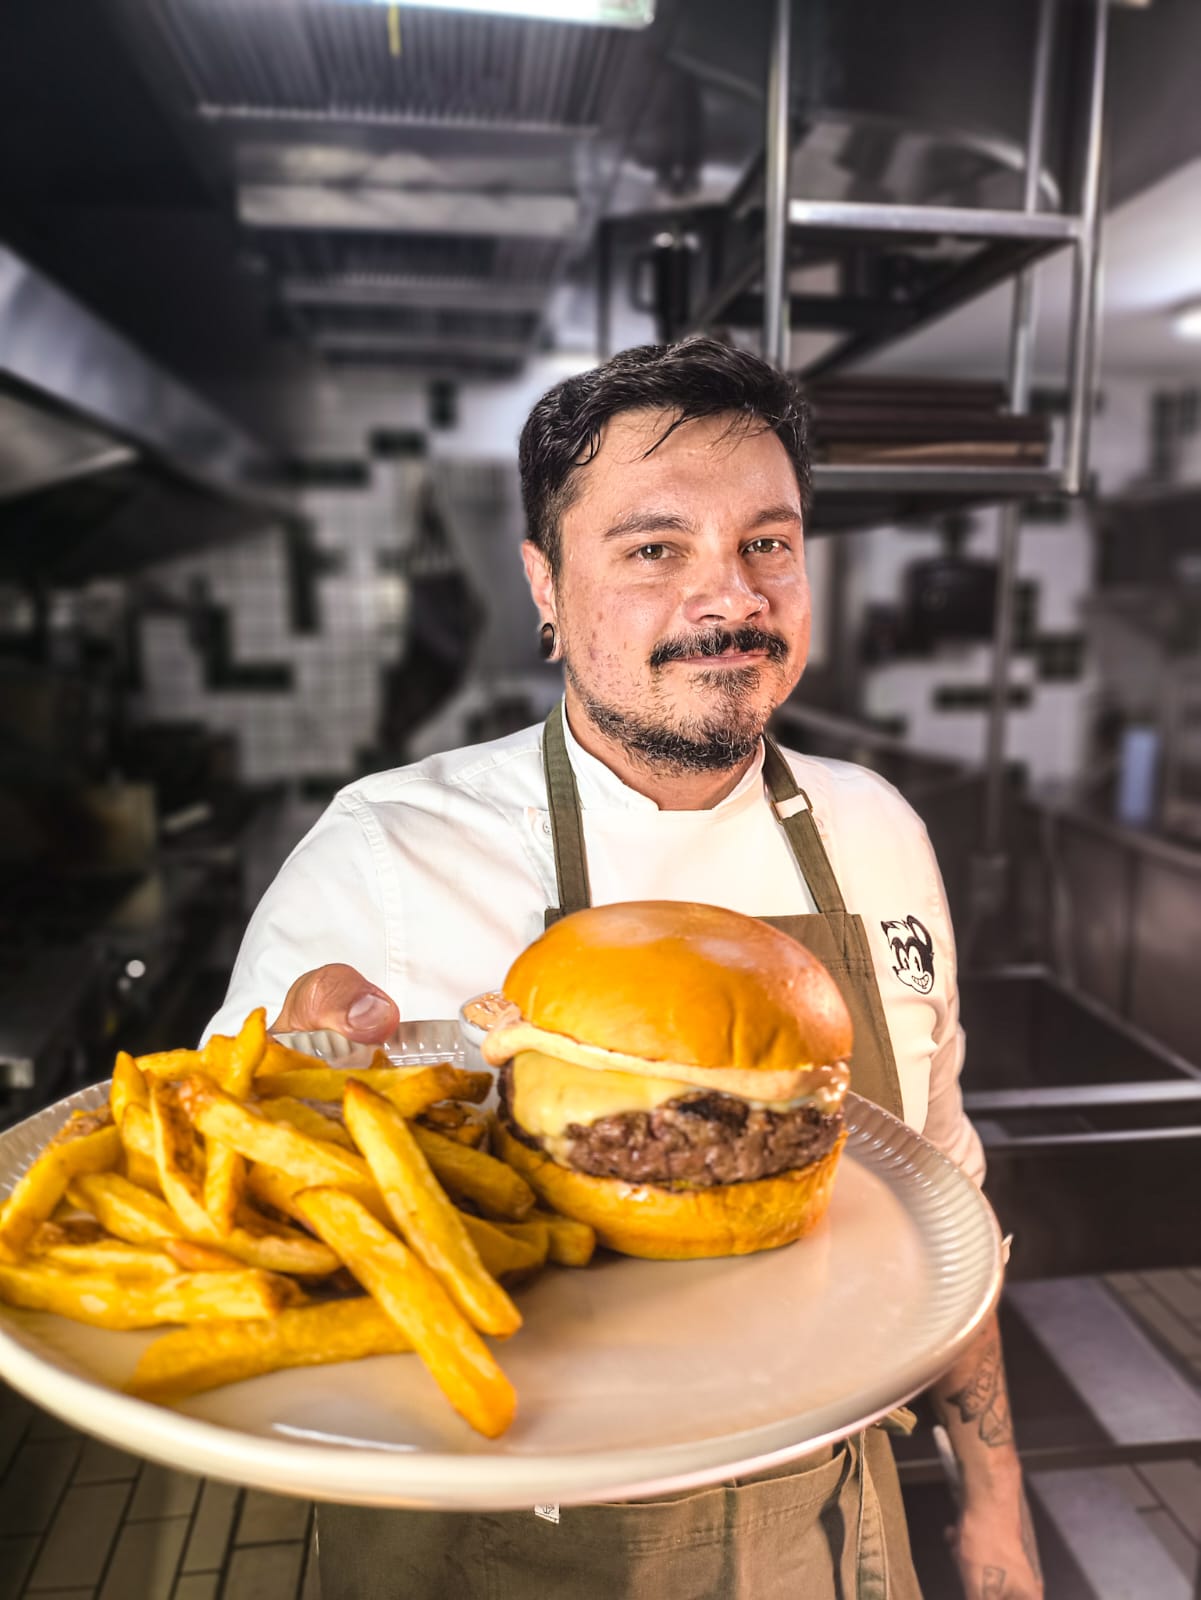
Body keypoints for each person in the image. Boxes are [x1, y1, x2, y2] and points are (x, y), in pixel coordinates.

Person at [207, 337, 1043, 1600]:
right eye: (654, 549)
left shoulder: (876, 830)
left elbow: (940, 1191)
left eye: (769, 541)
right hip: (494, 1544)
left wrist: (994, 1514)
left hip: (820, 1526)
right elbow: (223, 1226)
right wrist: (289, 1118)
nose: (731, 598)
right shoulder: (383, 851)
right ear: (544, 586)